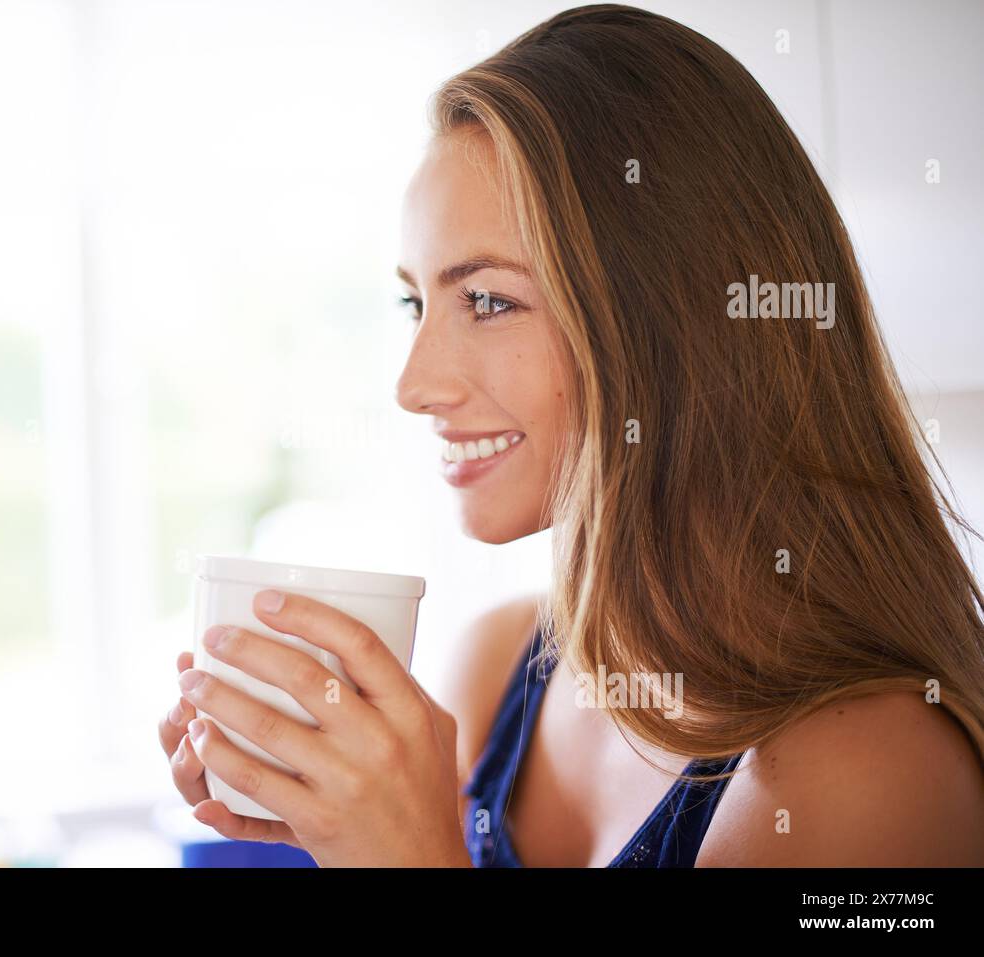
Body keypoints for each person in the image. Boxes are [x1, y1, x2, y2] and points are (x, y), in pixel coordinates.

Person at [156, 4, 984, 866]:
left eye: (488, 300)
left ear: (681, 323)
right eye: (417, 302)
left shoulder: (870, 780)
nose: (413, 385)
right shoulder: (497, 667)